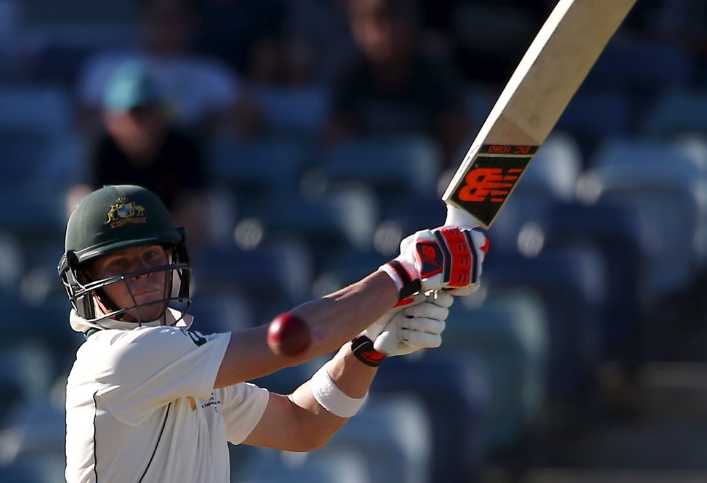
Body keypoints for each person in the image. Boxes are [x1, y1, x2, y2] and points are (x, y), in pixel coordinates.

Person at [58, 183, 488, 482]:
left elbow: (303, 425)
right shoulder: (118, 358)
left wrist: (365, 349)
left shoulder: (184, 370)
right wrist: (406, 273)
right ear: (85, 283)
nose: (145, 275)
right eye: (120, 265)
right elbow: (296, 340)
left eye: (151, 255)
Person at [68, 60, 211, 258]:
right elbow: (85, 207)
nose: (143, 124)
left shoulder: (183, 147)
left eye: (149, 112)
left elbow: (195, 211)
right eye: (134, 115)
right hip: (115, 251)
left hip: (171, 251)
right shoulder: (101, 149)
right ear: (111, 119)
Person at [76, 0, 248, 139]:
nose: (166, 24)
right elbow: (85, 124)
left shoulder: (212, 73)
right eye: (159, 14)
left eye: (176, 16)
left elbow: (247, 124)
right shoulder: (107, 66)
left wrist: (209, 124)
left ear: (193, 22)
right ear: (142, 17)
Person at [328, 0, 470, 167]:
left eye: (389, 16)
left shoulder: (436, 75)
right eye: (364, 18)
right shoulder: (351, 75)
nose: (377, 29)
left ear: (413, 21)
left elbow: (456, 144)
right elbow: (335, 146)